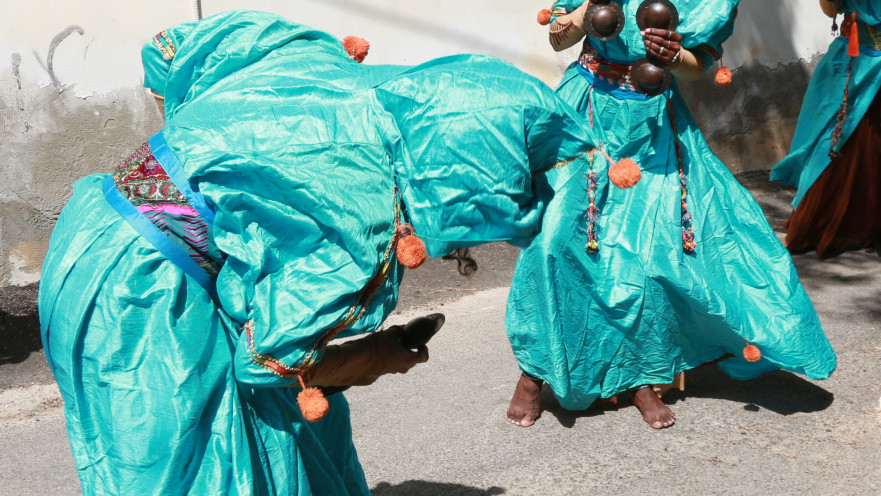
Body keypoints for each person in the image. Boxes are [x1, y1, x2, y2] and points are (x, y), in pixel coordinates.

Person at [38, 10, 599, 494]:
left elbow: (188, 47)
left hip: (91, 228)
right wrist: (379, 356)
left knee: (282, 432)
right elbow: (266, 362)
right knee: (188, 467)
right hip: (139, 298)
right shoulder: (366, 212)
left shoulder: (323, 70)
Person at [506, 0, 837, 429]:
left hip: (652, 127)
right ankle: (535, 372)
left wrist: (673, 56)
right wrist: (586, 10)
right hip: (584, 113)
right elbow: (558, 39)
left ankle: (643, 376)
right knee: (553, 241)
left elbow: (696, 66)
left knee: (648, 255)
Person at [770, 0, 881, 256]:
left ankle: (817, 226)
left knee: (839, 143)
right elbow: (831, 9)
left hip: (863, 64)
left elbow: (832, 9)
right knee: (840, 143)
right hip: (857, 58)